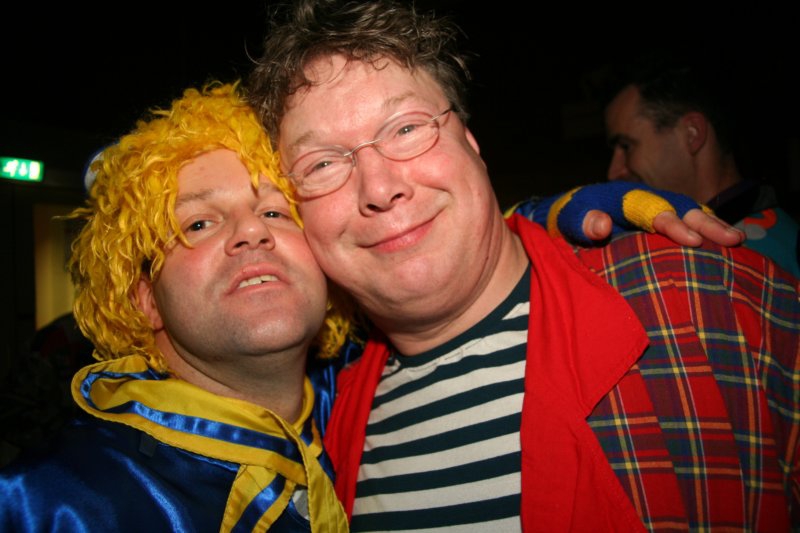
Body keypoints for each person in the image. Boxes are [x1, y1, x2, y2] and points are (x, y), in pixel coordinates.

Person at [247, 1, 800, 531]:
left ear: (471, 143)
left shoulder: (700, 300)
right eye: (322, 164)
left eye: (407, 129)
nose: (379, 188)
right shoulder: (320, 438)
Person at [0, 83, 349, 532]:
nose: (251, 231)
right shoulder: (47, 506)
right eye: (198, 223)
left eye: (275, 213)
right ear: (146, 301)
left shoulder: (366, 406)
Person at [605, 59, 800, 277]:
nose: (614, 172)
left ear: (692, 134)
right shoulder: (767, 235)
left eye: (626, 146)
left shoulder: (757, 260)